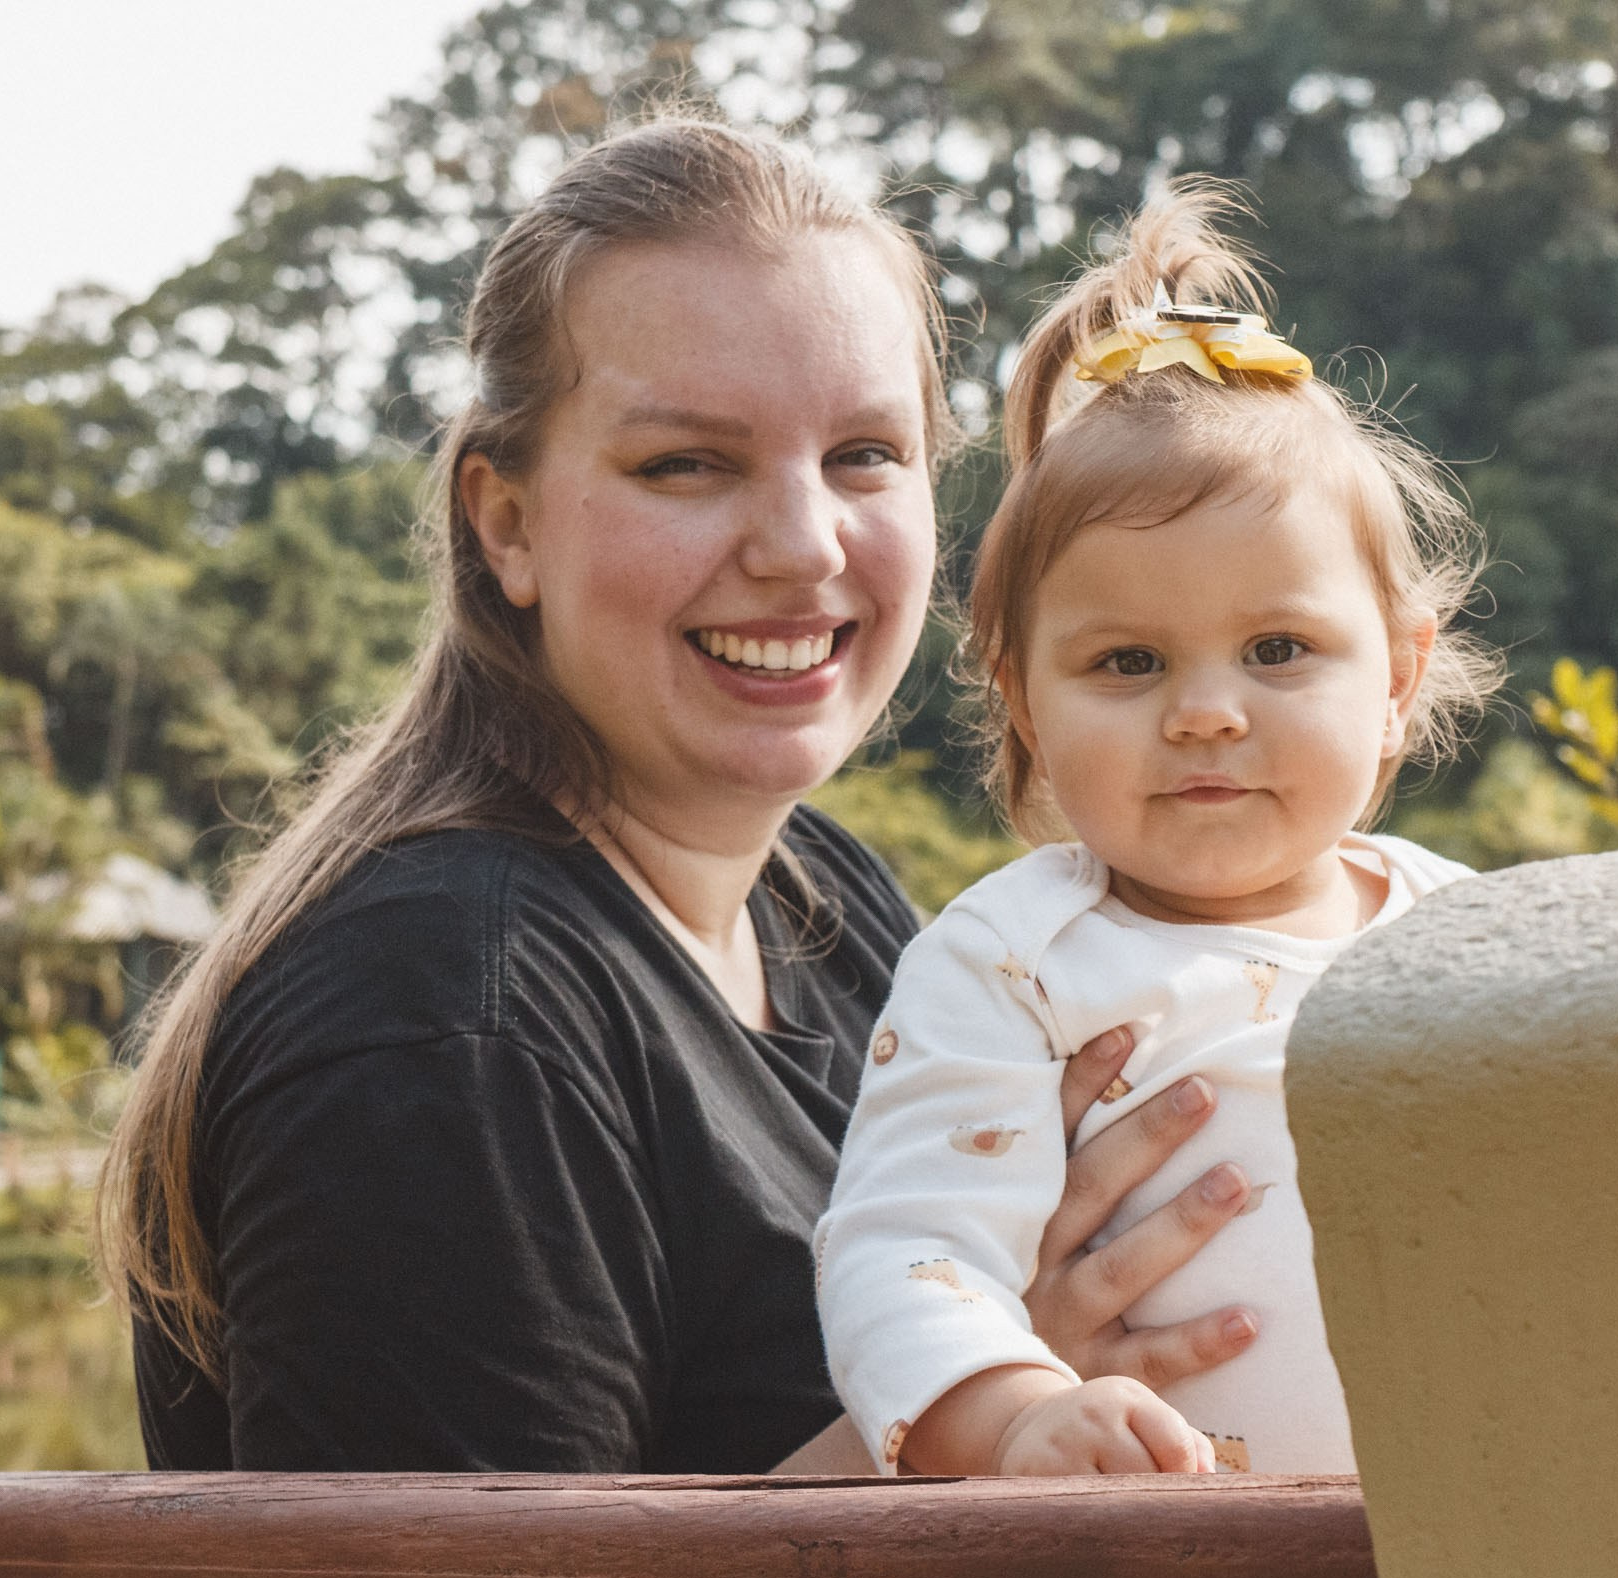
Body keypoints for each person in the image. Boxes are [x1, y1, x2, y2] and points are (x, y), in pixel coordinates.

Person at [94, 119, 1257, 1473]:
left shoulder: (829, 904)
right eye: (685, 465)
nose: (803, 543)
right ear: (507, 523)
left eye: (866, 455)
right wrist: (982, 1413)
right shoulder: (448, 1015)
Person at [815, 189, 1498, 1477]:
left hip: (1473, 1565)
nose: (1204, 715)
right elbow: (910, 1249)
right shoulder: (1012, 965)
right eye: (1128, 662)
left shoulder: (1472, 937)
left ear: (1400, 679)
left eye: (1279, 650)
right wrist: (1016, 1410)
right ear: (1020, 694)